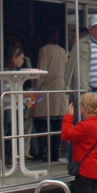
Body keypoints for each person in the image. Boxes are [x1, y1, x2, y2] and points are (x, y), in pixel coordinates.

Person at [64, 14, 97, 121]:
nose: (96, 31)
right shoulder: (81, 44)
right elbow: (71, 66)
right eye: (94, 28)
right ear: (90, 29)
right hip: (89, 91)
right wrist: (72, 87)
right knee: (86, 123)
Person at [61, 93, 97, 193]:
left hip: (85, 171)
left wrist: (69, 116)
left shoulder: (86, 125)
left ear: (86, 108)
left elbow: (65, 134)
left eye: (81, 105)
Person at [30, 27, 68, 163]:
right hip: (60, 89)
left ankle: (44, 152)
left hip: (46, 90)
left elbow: (42, 71)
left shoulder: (44, 50)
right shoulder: (63, 51)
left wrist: (35, 89)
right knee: (58, 124)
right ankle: (55, 152)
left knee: (43, 123)